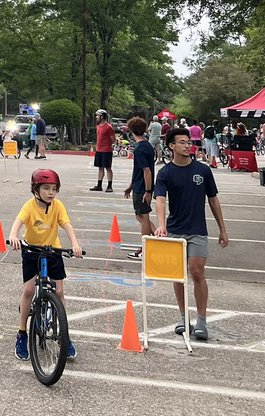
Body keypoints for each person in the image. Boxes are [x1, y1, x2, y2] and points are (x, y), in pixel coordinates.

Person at [154, 126, 229, 341]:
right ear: (171, 146)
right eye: (182, 142)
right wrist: (161, 224)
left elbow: (213, 199)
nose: (187, 146)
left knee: (197, 272)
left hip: (197, 231)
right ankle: (182, 317)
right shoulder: (166, 172)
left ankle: (202, 320)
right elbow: (160, 199)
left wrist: (222, 229)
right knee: (178, 275)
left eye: (189, 142)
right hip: (175, 230)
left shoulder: (203, 171)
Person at [8, 168, 84, 361]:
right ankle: (22, 333)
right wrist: (13, 235)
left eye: (54, 189)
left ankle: (64, 336)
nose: (51, 192)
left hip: (53, 250)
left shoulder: (58, 205)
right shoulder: (29, 206)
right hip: (32, 250)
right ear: (36, 189)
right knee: (28, 290)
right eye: (46, 188)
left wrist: (74, 243)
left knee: (59, 292)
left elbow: (66, 224)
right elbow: (18, 221)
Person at [122, 116, 156, 260]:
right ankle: (159, 239)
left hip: (142, 188)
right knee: (142, 217)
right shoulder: (147, 145)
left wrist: (148, 191)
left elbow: (146, 171)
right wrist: (130, 186)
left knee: (143, 217)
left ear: (131, 131)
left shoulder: (140, 149)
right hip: (139, 186)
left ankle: (146, 249)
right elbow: (138, 170)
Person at [90, 109, 114, 192]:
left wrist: (107, 144)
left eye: (97, 116)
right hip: (99, 150)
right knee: (100, 168)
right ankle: (99, 185)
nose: (96, 117)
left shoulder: (108, 127)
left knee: (108, 168)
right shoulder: (98, 126)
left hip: (106, 150)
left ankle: (110, 186)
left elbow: (113, 139)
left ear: (102, 116)